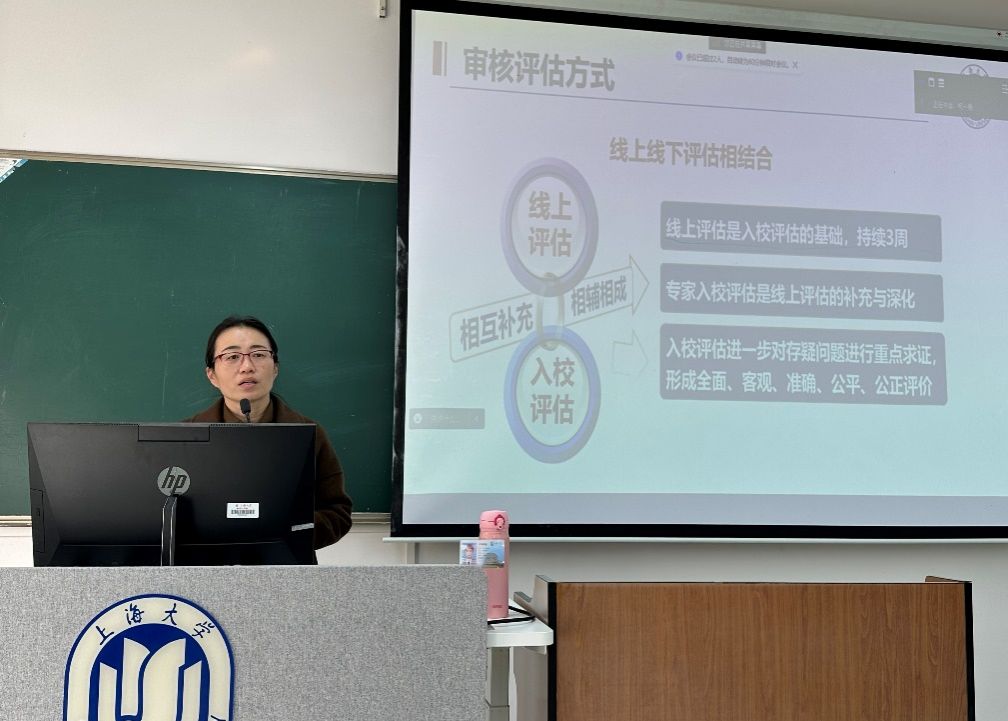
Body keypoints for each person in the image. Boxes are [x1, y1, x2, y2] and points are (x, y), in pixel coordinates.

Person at [185, 315, 352, 549]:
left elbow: (338, 512)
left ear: (275, 368)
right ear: (212, 375)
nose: (247, 367)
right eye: (232, 357)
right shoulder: (185, 436)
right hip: (205, 564)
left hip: (284, 564)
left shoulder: (308, 434)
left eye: (259, 354)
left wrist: (289, 531)